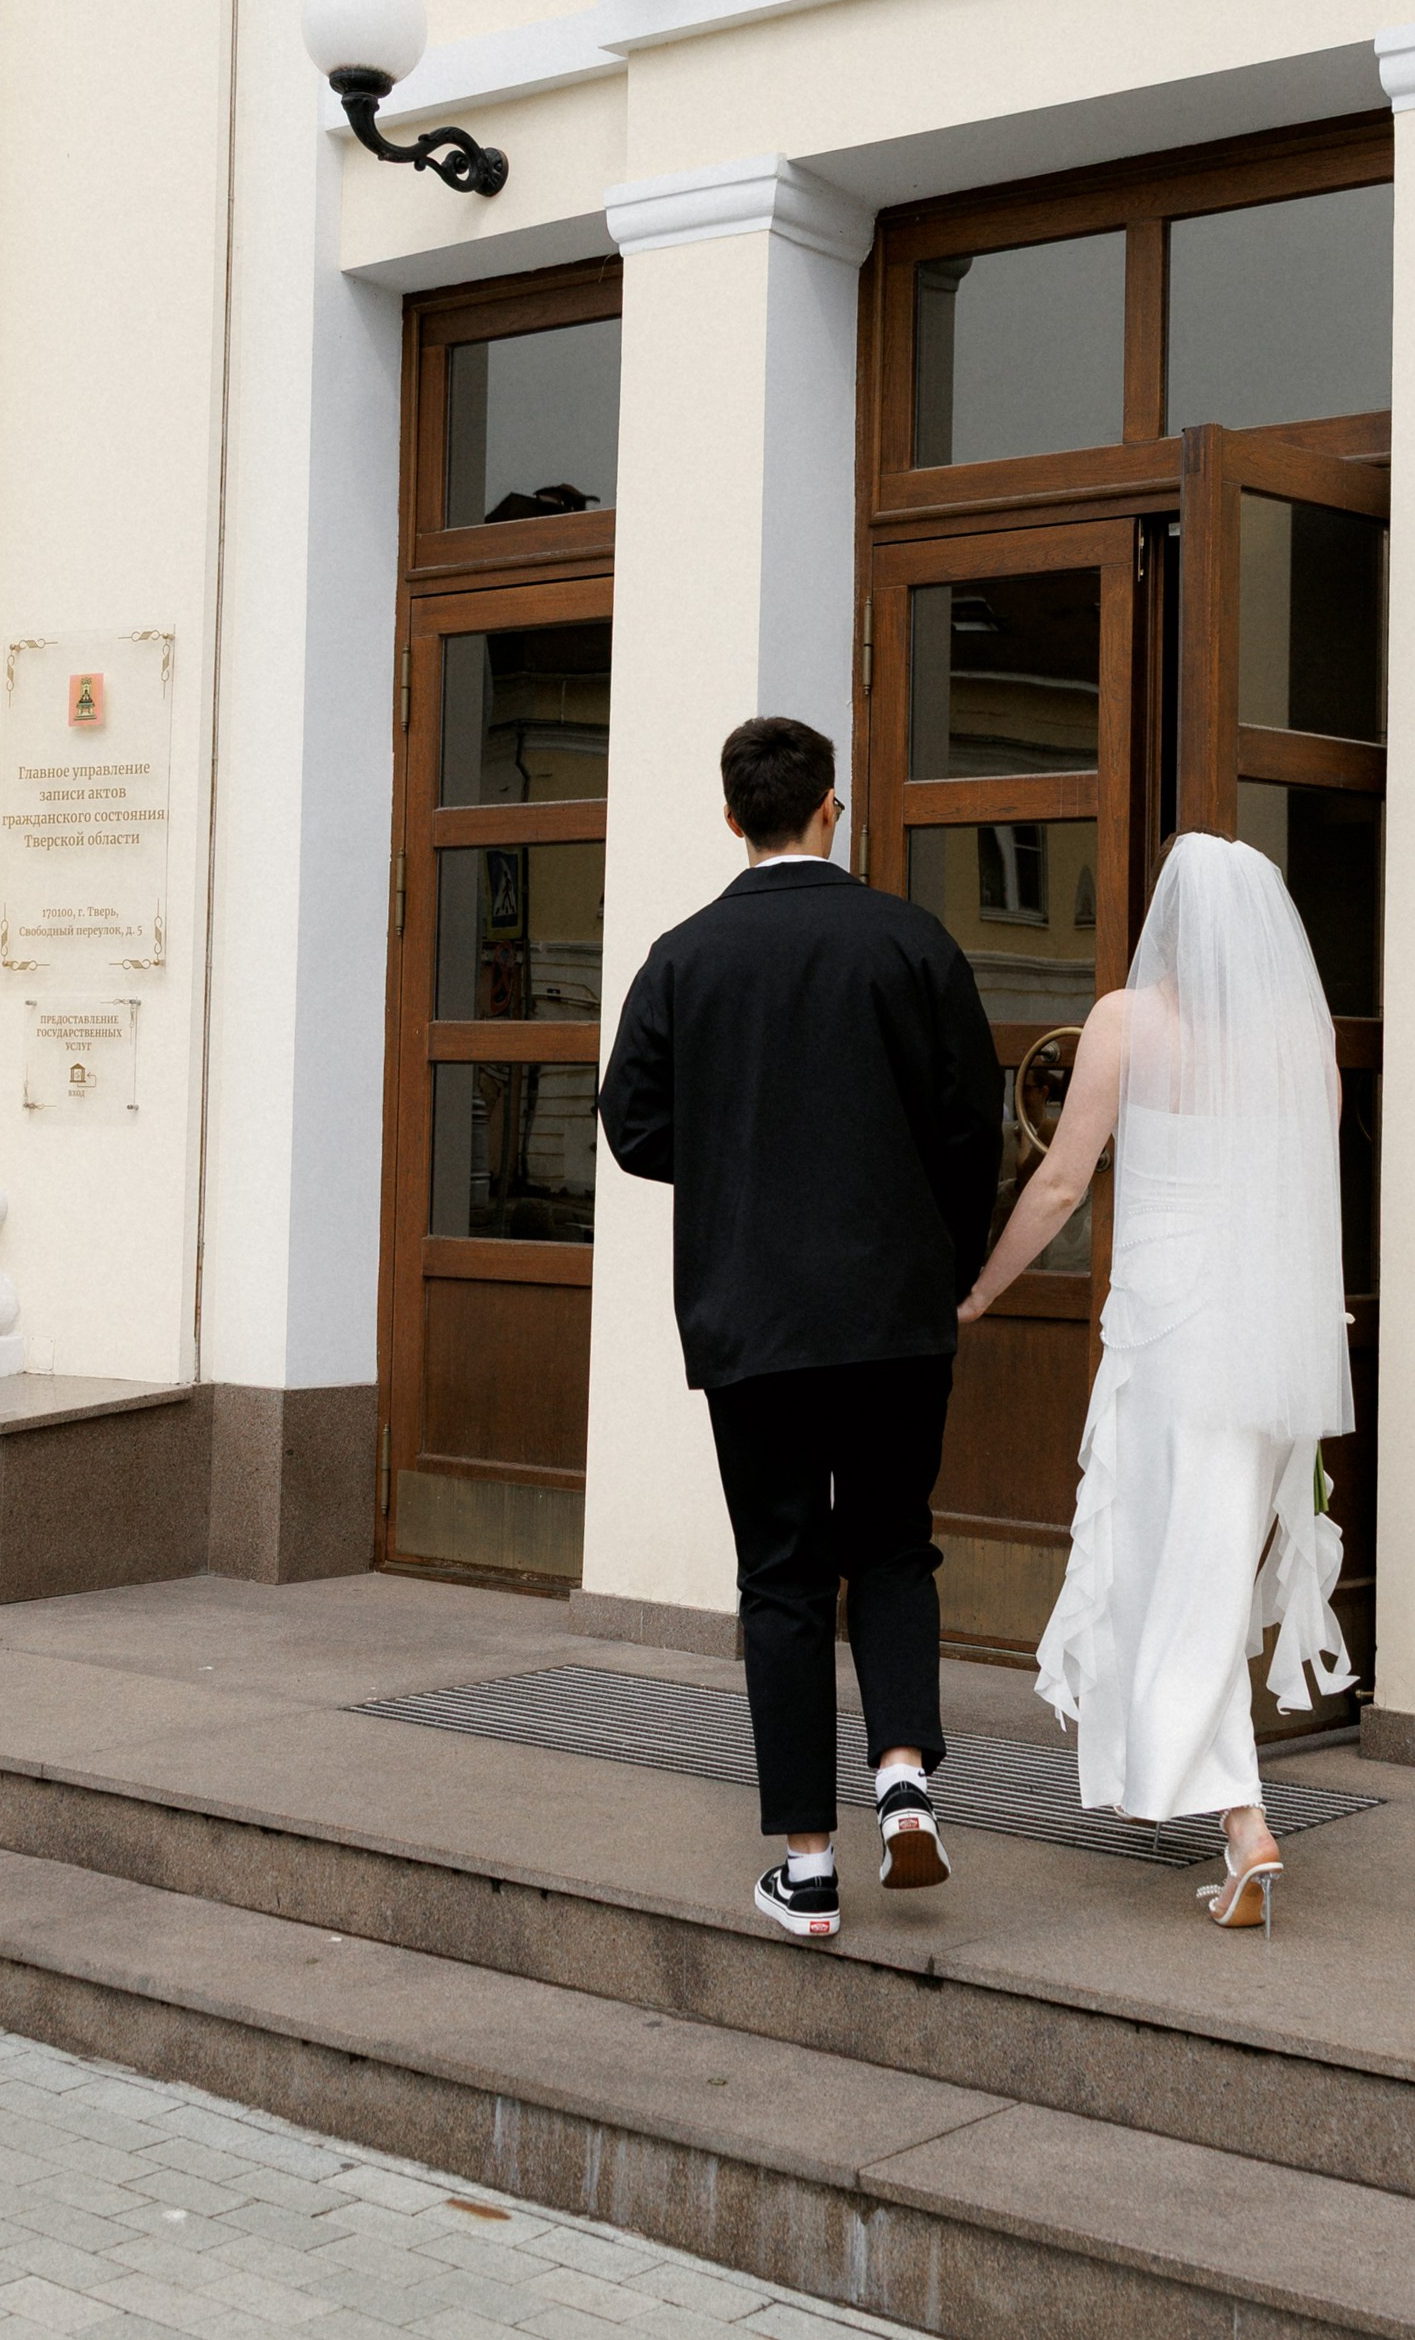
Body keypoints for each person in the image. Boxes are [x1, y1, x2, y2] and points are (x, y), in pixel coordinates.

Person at [598, 715, 1003, 1944]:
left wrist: (737, 1163)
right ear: (832, 804)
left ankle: (808, 1867)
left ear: (734, 817)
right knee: (891, 1546)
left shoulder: (684, 955)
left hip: (751, 1313)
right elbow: (968, 1122)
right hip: (893, 1309)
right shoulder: (909, 940)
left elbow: (630, 1125)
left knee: (780, 1574)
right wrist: (944, 1258)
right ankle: (901, 1778)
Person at [956, 830, 1354, 1933]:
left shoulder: (1128, 1023)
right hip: (1269, 1332)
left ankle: (1237, 1815)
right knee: (1208, 1572)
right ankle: (1215, 1801)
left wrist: (982, 1286)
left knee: (1177, 1569)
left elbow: (1057, 1184)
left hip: (1171, 1338)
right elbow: (1305, 1183)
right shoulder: (1297, 1034)